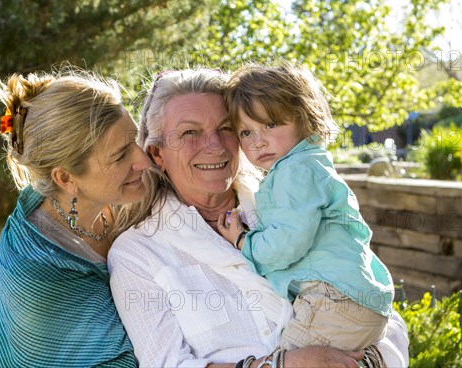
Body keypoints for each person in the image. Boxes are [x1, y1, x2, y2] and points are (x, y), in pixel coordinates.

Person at [108, 68, 409, 368]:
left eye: (226, 128)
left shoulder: (288, 200)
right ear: (157, 154)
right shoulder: (138, 253)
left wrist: (362, 363)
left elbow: (374, 304)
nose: (214, 145)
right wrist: (280, 365)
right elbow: (166, 364)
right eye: (190, 132)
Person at [0, 68, 151, 367]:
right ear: (65, 177)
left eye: (134, 140)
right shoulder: (38, 275)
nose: (144, 160)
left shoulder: (119, 195)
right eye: (121, 155)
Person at [219, 63, 394, 353]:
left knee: (287, 360)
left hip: (335, 302)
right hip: (353, 299)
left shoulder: (295, 170)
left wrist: (242, 241)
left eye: (270, 125)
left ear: (304, 118)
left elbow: (288, 242)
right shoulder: (309, 163)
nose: (258, 141)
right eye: (246, 133)